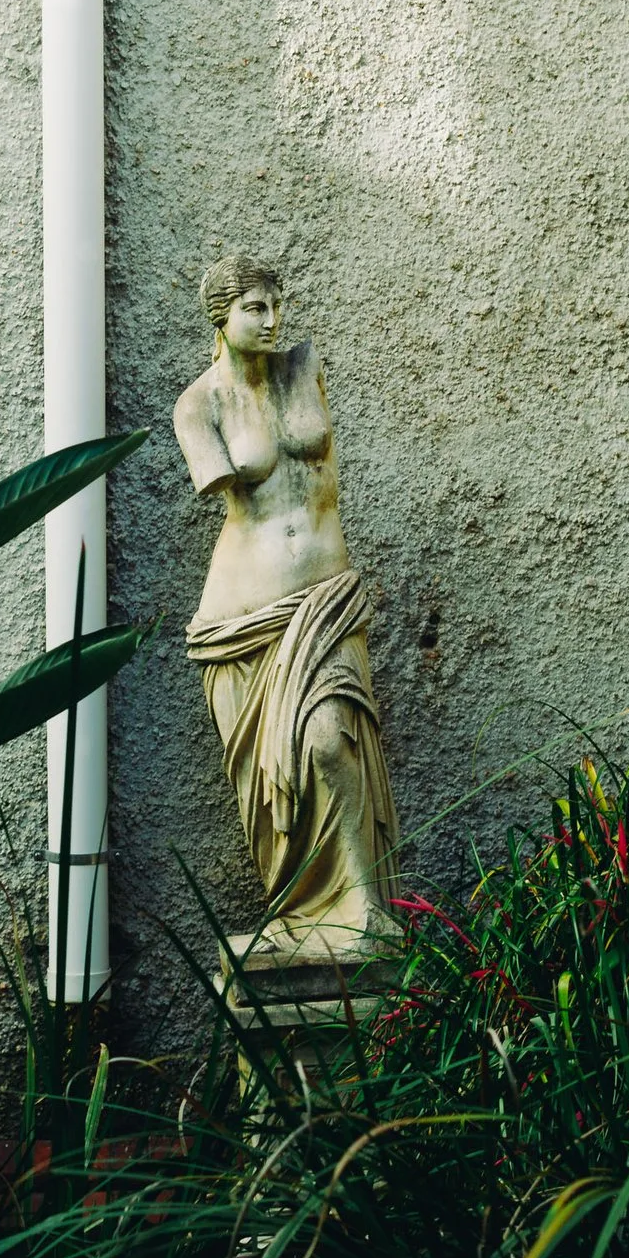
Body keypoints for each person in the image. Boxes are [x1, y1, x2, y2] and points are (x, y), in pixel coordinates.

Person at [176, 254, 397, 953]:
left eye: (277, 305)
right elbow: (220, 486)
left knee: (331, 738)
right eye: (255, 309)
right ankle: (304, 911)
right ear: (221, 317)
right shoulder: (200, 405)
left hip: (326, 600)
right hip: (245, 622)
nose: (273, 321)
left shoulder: (305, 368)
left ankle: (365, 905)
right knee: (279, 782)